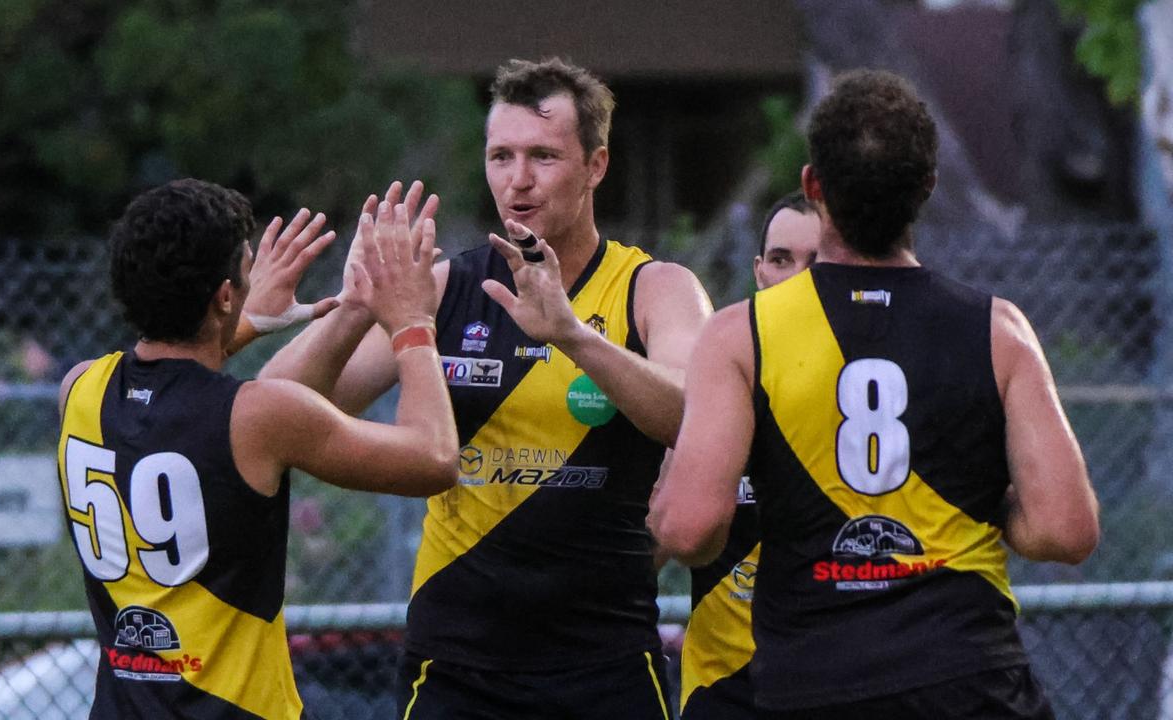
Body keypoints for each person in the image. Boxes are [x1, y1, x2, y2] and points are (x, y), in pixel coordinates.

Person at [263, 57, 713, 719]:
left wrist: (572, 335)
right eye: (500, 156)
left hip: (603, 660)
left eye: (543, 156)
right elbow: (277, 409)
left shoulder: (656, 289)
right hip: (457, 663)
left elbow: (692, 417)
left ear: (596, 165)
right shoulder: (447, 286)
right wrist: (361, 304)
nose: (519, 180)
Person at [650, 70, 1099, 719]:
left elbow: (691, 530)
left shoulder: (742, 335)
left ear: (813, 187)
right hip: (968, 680)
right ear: (927, 188)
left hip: (813, 682)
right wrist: (983, 505)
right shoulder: (998, 330)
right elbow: (1067, 529)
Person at [56, 178, 458, 719]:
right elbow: (434, 459)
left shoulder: (80, 389)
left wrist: (248, 322)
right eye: (247, 269)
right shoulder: (260, 416)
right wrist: (412, 323)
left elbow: (171, 383)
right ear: (224, 294)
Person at [679, 190, 819, 719]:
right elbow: (661, 538)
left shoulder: (884, 400)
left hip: (840, 684)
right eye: (781, 259)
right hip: (725, 695)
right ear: (759, 271)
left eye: (816, 262)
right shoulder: (712, 383)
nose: (797, 277)